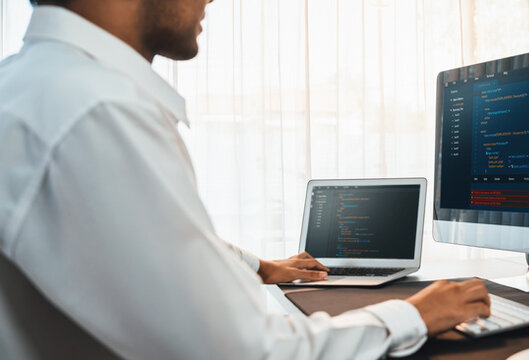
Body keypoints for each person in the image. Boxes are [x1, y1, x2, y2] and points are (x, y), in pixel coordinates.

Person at [0, 0, 490, 358]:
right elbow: (247, 352)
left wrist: (260, 266)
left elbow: (136, 243)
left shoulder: (34, 87)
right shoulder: (95, 112)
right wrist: (414, 315)